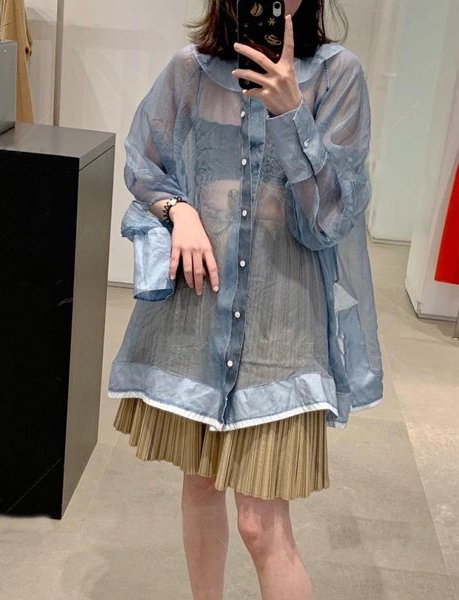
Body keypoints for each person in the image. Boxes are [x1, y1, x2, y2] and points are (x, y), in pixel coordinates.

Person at [108, 0, 384, 598]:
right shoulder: (189, 70)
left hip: (282, 326)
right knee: (200, 487)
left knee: (262, 525)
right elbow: (145, 163)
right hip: (197, 315)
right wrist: (177, 210)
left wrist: (291, 113)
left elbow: (330, 220)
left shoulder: (338, 75)